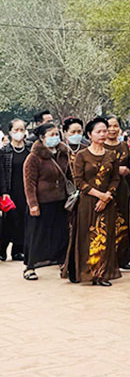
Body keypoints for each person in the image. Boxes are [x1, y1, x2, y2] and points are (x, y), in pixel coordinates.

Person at [63, 117, 122, 286]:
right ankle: (87, 272)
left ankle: (102, 274)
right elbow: (79, 181)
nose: (103, 134)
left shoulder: (111, 155)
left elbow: (115, 178)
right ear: (90, 134)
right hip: (88, 202)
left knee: (106, 236)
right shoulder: (81, 156)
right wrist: (99, 195)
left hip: (108, 202)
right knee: (87, 236)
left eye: (105, 131)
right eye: (99, 131)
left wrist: (107, 196)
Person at [21, 123, 70, 280]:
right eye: (51, 135)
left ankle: (63, 263)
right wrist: (33, 204)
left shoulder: (64, 153)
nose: (55, 138)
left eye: (57, 134)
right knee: (37, 234)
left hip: (60, 200)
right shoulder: (34, 157)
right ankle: (30, 266)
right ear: (42, 138)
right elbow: (29, 183)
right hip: (42, 202)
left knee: (61, 233)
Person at [105, 115, 130, 271]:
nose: (112, 129)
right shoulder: (99, 146)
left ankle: (122, 258)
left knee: (124, 224)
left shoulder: (124, 146)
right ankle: (109, 260)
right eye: (109, 126)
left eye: (115, 126)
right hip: (105, 190)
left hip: (123, 190)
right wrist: (117, 170)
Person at [0, 119, 31, 261]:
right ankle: (2, 249)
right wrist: (4, 192)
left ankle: (18, 250)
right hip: (10, 190)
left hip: (27, 190)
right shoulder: (4, 151)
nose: (19, 133)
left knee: (24, 221)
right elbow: (1, 173)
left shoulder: (30, 149)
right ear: (10, 132)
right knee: (9, 221)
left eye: (22, 130)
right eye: (16, 130)